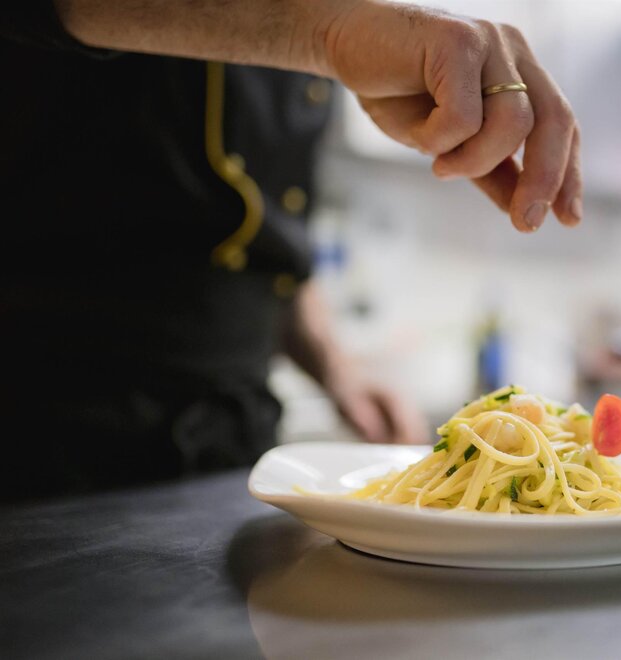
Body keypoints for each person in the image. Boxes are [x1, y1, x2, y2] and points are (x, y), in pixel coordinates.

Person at [0, 0, 582, 499]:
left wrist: (336, 367)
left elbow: (262, 227)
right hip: (46, 421)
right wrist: (327, 32)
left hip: (235, 434)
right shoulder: (325, 22)